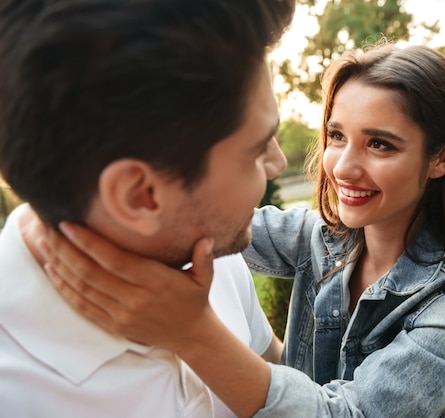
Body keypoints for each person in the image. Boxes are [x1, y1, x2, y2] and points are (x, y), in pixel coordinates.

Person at [39, 43, 445, 417]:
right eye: (336, 135)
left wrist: (189, 331)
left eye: (381, 145)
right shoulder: (322, 240)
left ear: (442, 157)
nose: (343, 167)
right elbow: (213, 218)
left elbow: (348, 415)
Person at [0, 0, 295, 417]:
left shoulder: (208, 252)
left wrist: (201, 336)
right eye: (255, 150)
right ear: (141, 195)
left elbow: (281, 380)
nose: (278, 163)